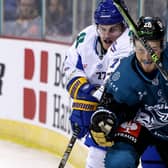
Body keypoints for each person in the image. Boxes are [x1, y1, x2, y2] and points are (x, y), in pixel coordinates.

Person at [90, 16, 168, 168]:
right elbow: (107, 106)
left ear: (162, 45)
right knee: (120, 161)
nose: (146, 57)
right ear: (133, 44)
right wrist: (102, 119)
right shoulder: (124, 74)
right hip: (141, 124)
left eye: (153, 49)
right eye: (141, 49)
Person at [63, 0, 133, 167]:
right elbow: (69, 68)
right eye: (102, 28)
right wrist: (83, 93)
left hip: (131, 110)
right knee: (96, 155)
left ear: (123, 26)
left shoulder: (129, 45)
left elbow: (116, 87)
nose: (106, 35)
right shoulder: (86, 38)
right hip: (104, 110)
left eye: (113, 29)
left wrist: (88, 101)